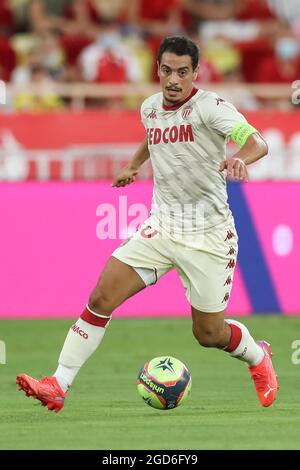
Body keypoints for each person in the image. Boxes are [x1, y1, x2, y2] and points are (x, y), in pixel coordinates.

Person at [16, 36, 278, 413]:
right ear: (157, 69)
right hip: (161, 226)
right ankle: (58, 384)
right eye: (167, 70)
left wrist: (240, 159)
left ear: (195, 74)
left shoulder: (212, 108)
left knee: (209, 334)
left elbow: (257, 141)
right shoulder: (150, 107)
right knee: (100, 298)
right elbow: (152, 135)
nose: (174, 79)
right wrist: (134, 164)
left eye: (182, 72)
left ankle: (257, 356)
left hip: (208, 234)